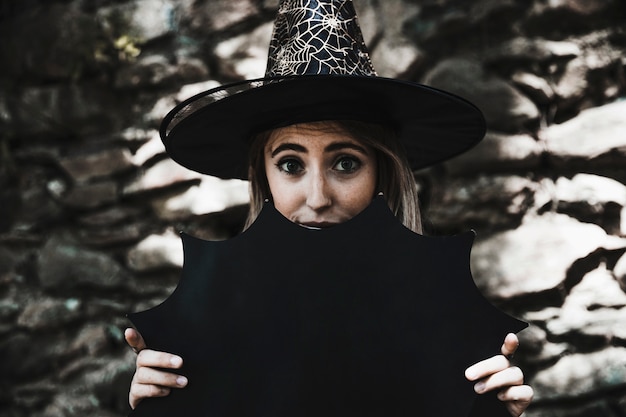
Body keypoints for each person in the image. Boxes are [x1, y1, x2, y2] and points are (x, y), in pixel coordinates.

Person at [125, 1, 534, 416]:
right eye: (290, 165)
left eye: (346, 163)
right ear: (263, 175)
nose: (318, 196)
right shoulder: (207, 326)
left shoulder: (448, 323)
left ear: (382, 171)